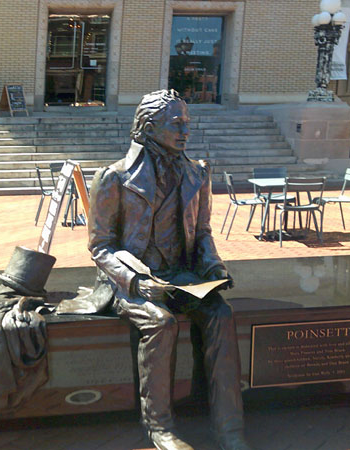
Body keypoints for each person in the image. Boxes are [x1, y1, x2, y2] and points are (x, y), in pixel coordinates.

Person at [87, 89, 250, 450]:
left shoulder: (198, 174)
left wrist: (213, 268)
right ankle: (159, 427)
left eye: (187, 123)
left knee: (221, 314)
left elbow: (203, 233)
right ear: (148, 126)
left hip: (180, 277)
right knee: (161, 322)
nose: (185, 131)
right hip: (128, 283)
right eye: (176, 124)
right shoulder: (113, 178)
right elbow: (100, 246)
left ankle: (229, 428)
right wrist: (136, 280)